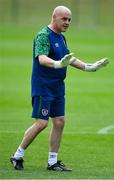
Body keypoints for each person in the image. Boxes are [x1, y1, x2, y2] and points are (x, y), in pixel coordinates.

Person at [10, 5, 109, 171]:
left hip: (57, 88)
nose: (67, 22)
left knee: (59, 122)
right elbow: (42, 59)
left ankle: (52, 162)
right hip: (43, 87)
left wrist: (89, 67)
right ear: (54, 17)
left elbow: (68, 59)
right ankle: (18, 155)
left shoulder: (61, 37)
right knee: (42, 123)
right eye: (64, 19)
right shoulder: (43, 36)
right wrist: (57, 63)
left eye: (70, 20)